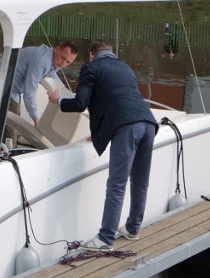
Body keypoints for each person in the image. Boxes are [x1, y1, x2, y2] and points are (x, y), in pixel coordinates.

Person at [48, 40, 158, 251]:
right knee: (140, 181)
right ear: (111, 53)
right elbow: (114, 99)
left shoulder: (91, 67)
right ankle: (133, 228)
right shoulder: (125, 67)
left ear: (91, 54)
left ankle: (106, 238)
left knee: (116, 184)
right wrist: (99, 133)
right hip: (149, 124)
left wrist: (58, 100)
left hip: (127, 127)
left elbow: (81, 103)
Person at [0, 42, 77, 144]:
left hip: (13, 90)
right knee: (10, 135)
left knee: (15, 129)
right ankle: (2, 156)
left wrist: (71, 99)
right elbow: (29, 91)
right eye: (63, 58)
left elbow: (54, 78)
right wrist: (36, 119)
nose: (63, 63)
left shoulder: (51, 59)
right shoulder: (42, 60)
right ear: (57, 49)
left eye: (68, 62)